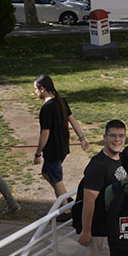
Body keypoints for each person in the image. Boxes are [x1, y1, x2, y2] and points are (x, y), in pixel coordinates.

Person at [77, 120, 128, 256]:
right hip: (100, 232)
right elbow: (89, 199)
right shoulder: (98, 165)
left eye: (121, 136)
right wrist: (86, 231)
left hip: (115, 230)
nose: (117, 140)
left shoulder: (121, 159)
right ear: (104, 137)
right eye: (113, 136)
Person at [33, 75, 90, 207]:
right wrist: (82, 138)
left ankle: (66, 209)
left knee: (57, 180)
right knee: (46, 173)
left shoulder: (46, 108)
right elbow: (73, 120)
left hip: (53, 150)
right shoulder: (61, 101)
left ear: (42, 89)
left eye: (36, 89)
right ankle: (67, 200)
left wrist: (38, 153)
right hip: (63, 147)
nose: (35, 92)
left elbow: (45, 133)